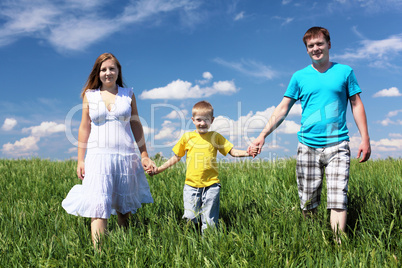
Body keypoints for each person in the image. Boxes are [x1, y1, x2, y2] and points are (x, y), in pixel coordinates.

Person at [248, 27, 371, 241]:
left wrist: (365, 138)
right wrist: (263, 134)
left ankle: (338, 246)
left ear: (329, 44)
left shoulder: (345, 72)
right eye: (311, 46)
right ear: (306, 50)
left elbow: (356, 104)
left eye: (320, 44)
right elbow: (283, 108)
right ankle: (313, 241)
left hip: (338, 144)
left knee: (338, 198)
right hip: (307, 145)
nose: (316, 49)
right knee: (308, 200)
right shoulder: (299, 77)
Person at [62, 53, 155, 249]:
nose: (108, 73)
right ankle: (99, 253)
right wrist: (80, 159)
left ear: (118, 71)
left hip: (126, 157)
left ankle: (125, 247)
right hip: (97, 157)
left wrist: (144, 154)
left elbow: (136, 124)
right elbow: (84, 127)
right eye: (103, 69)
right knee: (98, 205)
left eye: (112, 68)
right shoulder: (90, 95)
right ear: (98, 72)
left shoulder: (128, 94)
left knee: (124, 206)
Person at [148, 100, 257, 233]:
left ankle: (209, 242)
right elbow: (176, 157)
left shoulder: (215, 137)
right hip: (191, 185)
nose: (202, 123)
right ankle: (192, 238)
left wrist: (247, 152)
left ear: (212, 120)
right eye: (199, 120)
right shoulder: (187, 137)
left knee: (209, 219)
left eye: (206, 120)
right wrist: (159, 169)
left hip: (212, 185)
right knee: (190, 216)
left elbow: (232, 152)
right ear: (193, 120)